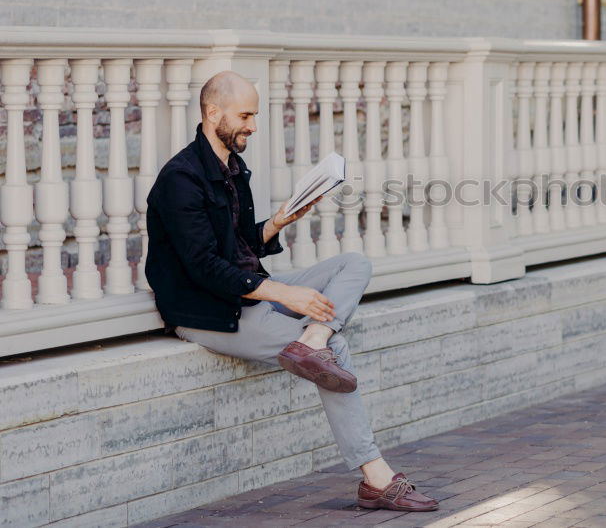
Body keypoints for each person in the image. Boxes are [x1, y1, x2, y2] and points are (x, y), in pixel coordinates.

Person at [145, 71, 438, 513]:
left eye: (254, 116)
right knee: (337, 351)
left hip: (246, 295)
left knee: (355, 263)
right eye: (245, 116)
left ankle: (312, 340)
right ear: (212, 112)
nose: (253, 126)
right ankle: (375, 478)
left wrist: (279, 221)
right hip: (209, 312)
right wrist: (284, 293)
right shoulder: (180, 180)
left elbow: (241, 244)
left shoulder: (232, 167)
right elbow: (205, 267)